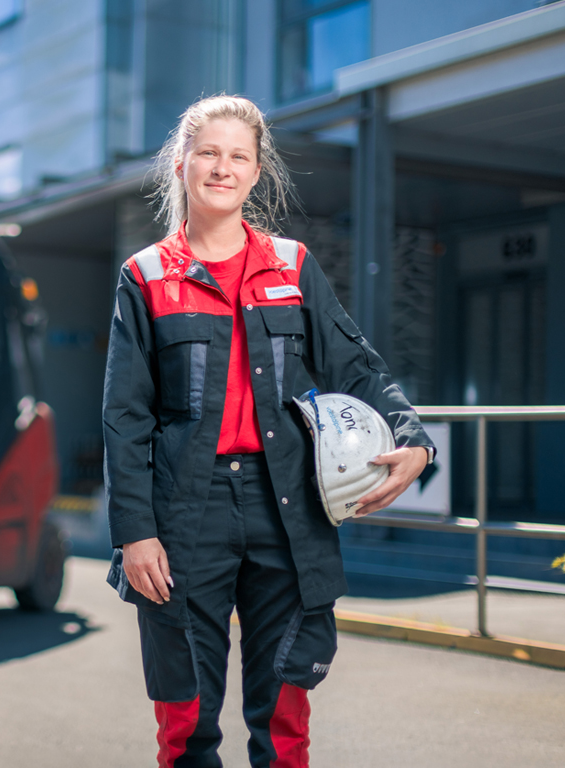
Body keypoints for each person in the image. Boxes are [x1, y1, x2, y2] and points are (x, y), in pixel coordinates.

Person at [102, 95, 435, 768]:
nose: (222, 168)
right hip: (183, 511)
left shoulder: (292, 264)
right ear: (180, 163)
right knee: (184, 712)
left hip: (286, 503)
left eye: (238, 157)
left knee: (286, 707)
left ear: (257, 173)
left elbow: (357, 366)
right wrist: (135, 533)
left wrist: (414, 437)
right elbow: (125, 416)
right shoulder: (145, 277)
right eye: (209, 153)